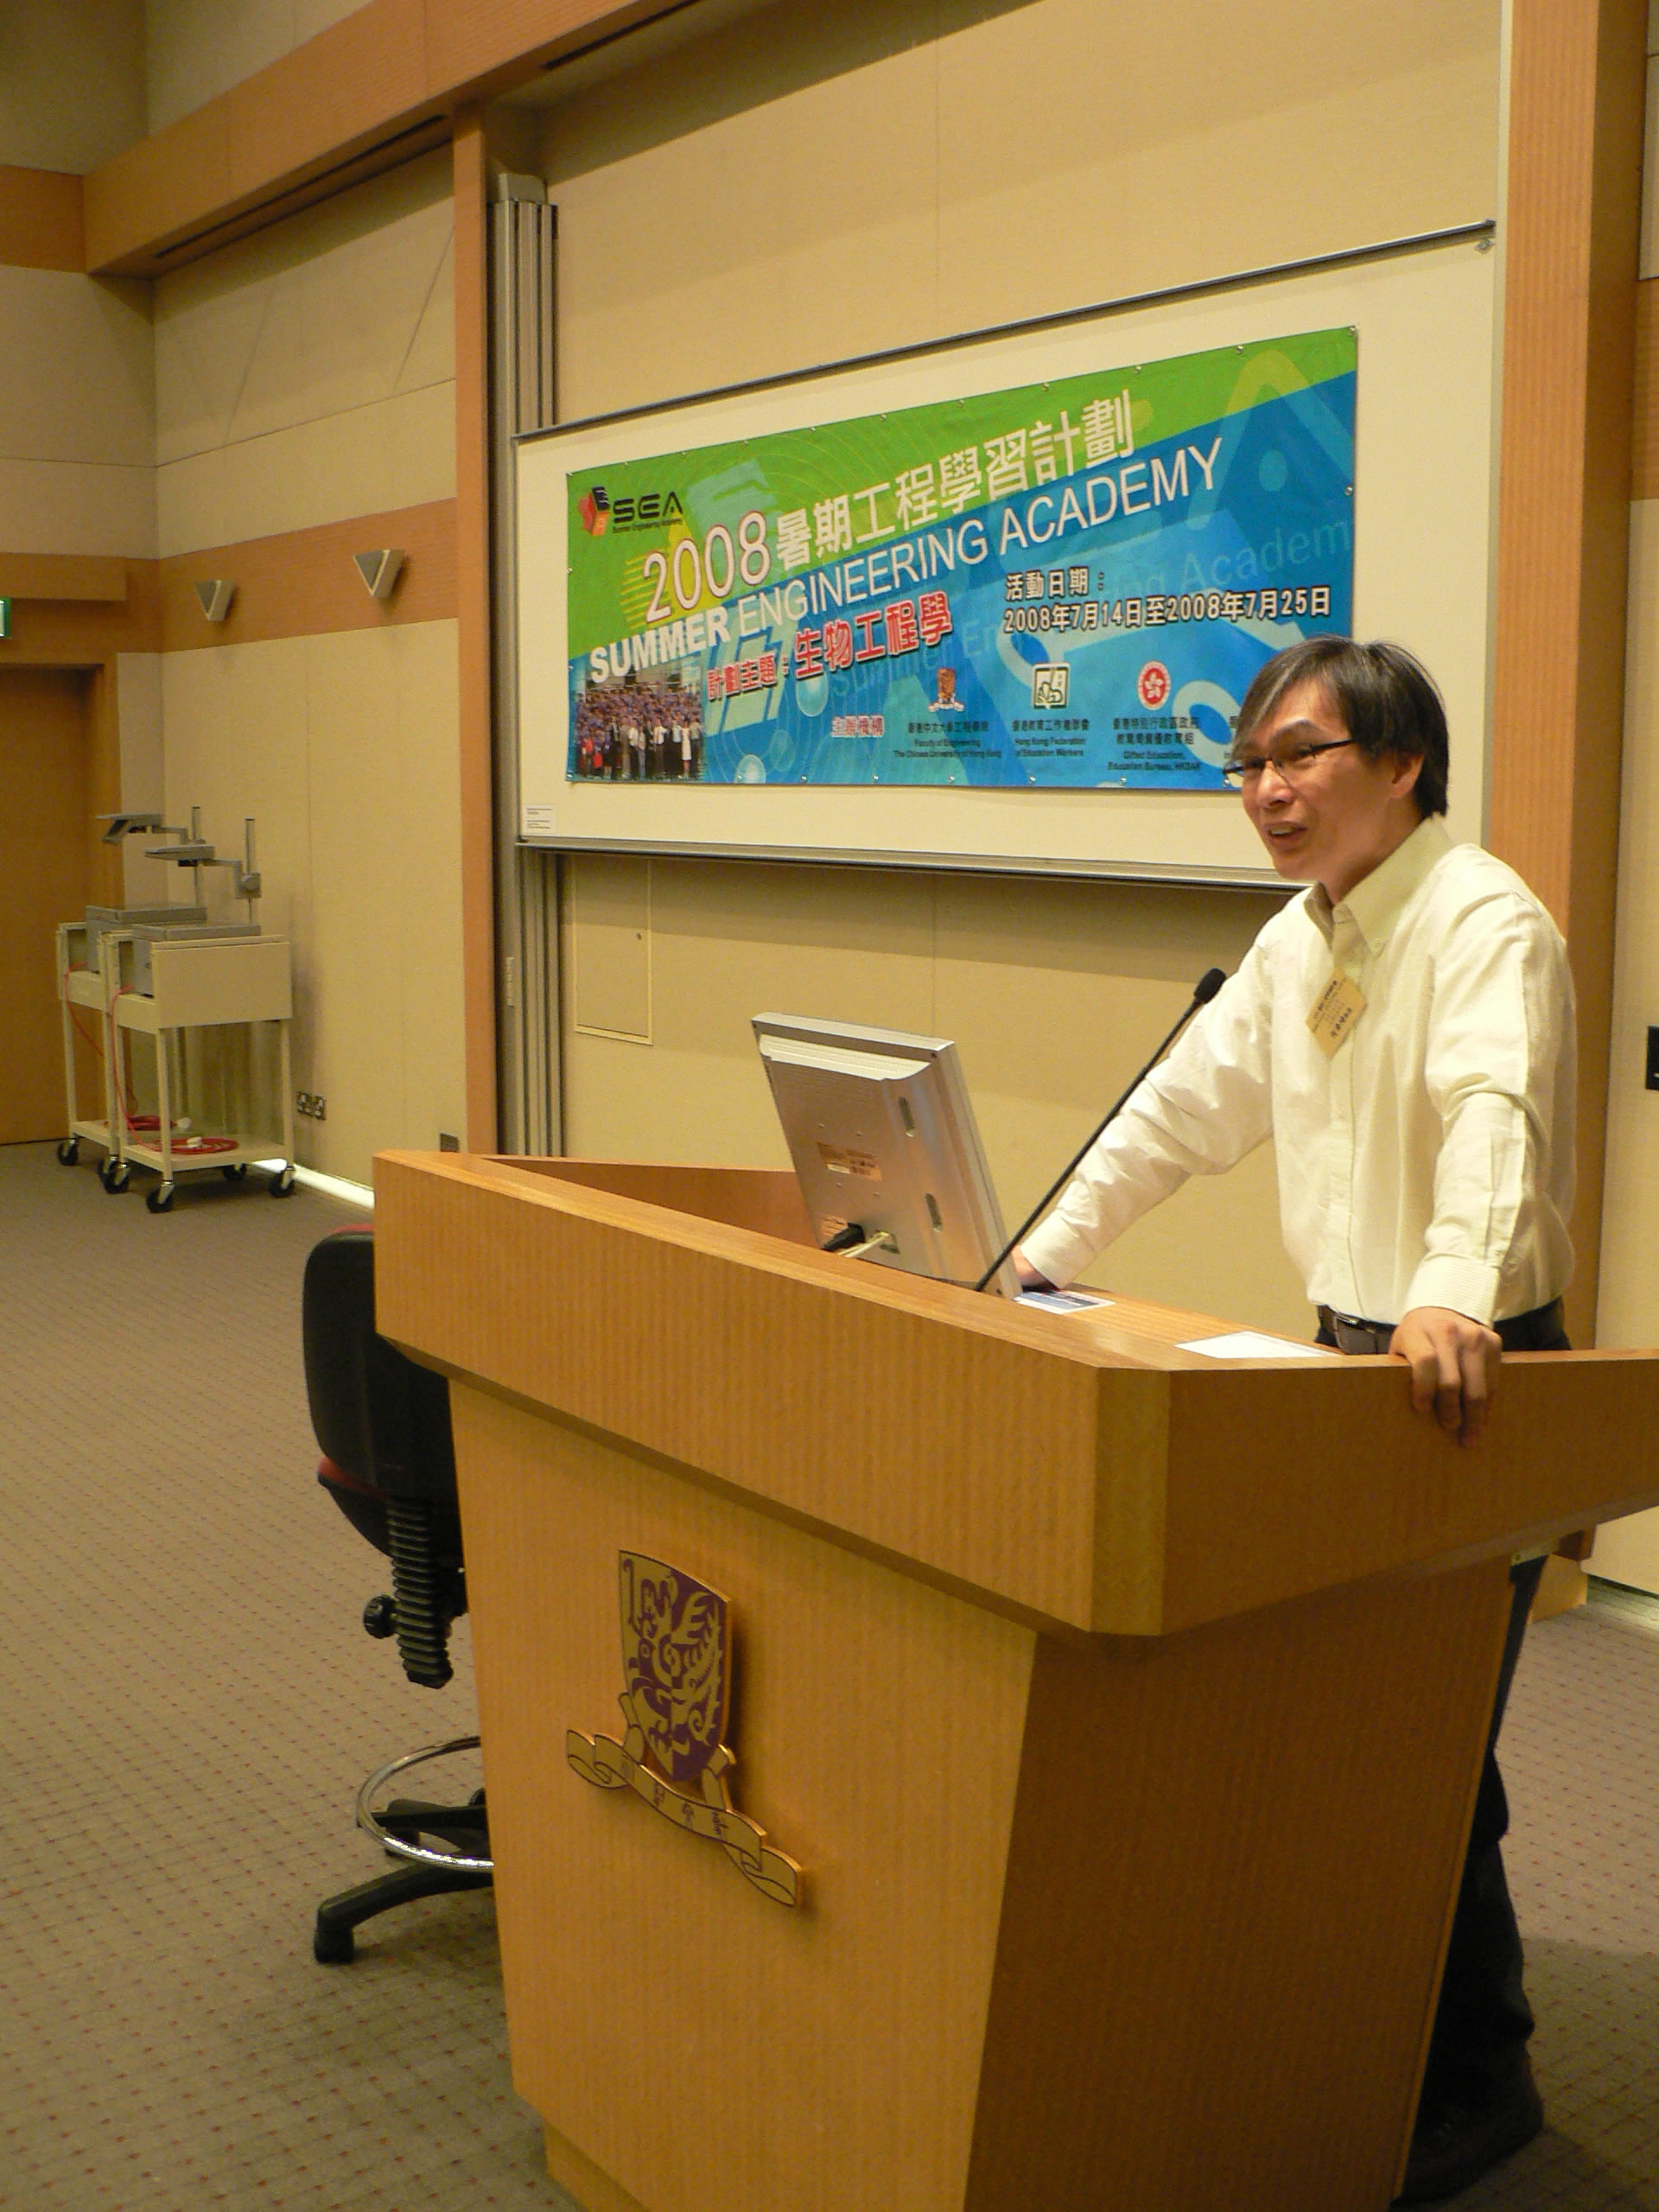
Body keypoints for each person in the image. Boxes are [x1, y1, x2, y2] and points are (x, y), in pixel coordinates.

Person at [1017, 636, 1573, 2206]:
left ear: (1404, 765)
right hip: (1340, 1369)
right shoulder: (1298, 939)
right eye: (1248, 765)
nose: (1266, 791)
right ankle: (1361, 2022)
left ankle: (1484, 2076)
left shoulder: (1483, 921)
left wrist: (1452, 1287)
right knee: (1347, 1732)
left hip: (1469, 1367)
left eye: (1303, 757)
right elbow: (1175, 1115)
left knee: (1427, 1734)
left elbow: (1495, 1116)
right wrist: (1032, 1262)